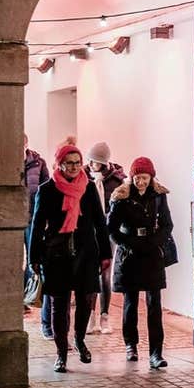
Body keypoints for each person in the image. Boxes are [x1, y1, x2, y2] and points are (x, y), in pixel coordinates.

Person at [28, 138, 111, 372]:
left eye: (77, 162)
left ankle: (79, 338)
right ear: (60, 164)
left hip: (86, 252)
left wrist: (105, 254)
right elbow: (37, 224)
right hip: (56, 253)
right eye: (69, 163)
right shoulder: (47, 189)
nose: (74, 167)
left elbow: (99, 223)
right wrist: (35, 257)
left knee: (86, 299)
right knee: (59, 305)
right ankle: (61, 353)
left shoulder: (89, 187)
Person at [108, 156, 173, 370]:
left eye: (144, 178)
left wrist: (155, 242)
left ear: (151, 177)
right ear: (132, 177)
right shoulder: (122, 196)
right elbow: (112, 228)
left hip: (152, 254)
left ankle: (156, 353)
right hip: (131, 255)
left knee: (155, 305)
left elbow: (167, 224)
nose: (141, 182)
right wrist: (128, 243)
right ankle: (131, 345)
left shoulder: (159, 196)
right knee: (130, 303)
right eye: (137, 178)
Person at [86, 141, 125, 335]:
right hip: (89, 232)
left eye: (96, 162)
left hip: (108, 232)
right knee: (91, 275)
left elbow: (118, 207)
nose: (93, 165)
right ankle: (90, 317)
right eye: (91, 161)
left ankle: (105, 315)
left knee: (105, 276)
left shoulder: (116, 181)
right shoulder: (84, 178)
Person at [22, 135, 50, 332]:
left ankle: (29, 296)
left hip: (33, 217)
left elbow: (46, 186)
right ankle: (19, 298)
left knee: (33, 258)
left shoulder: (38, 163)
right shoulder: (6, 161)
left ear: (26, 144)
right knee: (15, 260)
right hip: (14, 218)